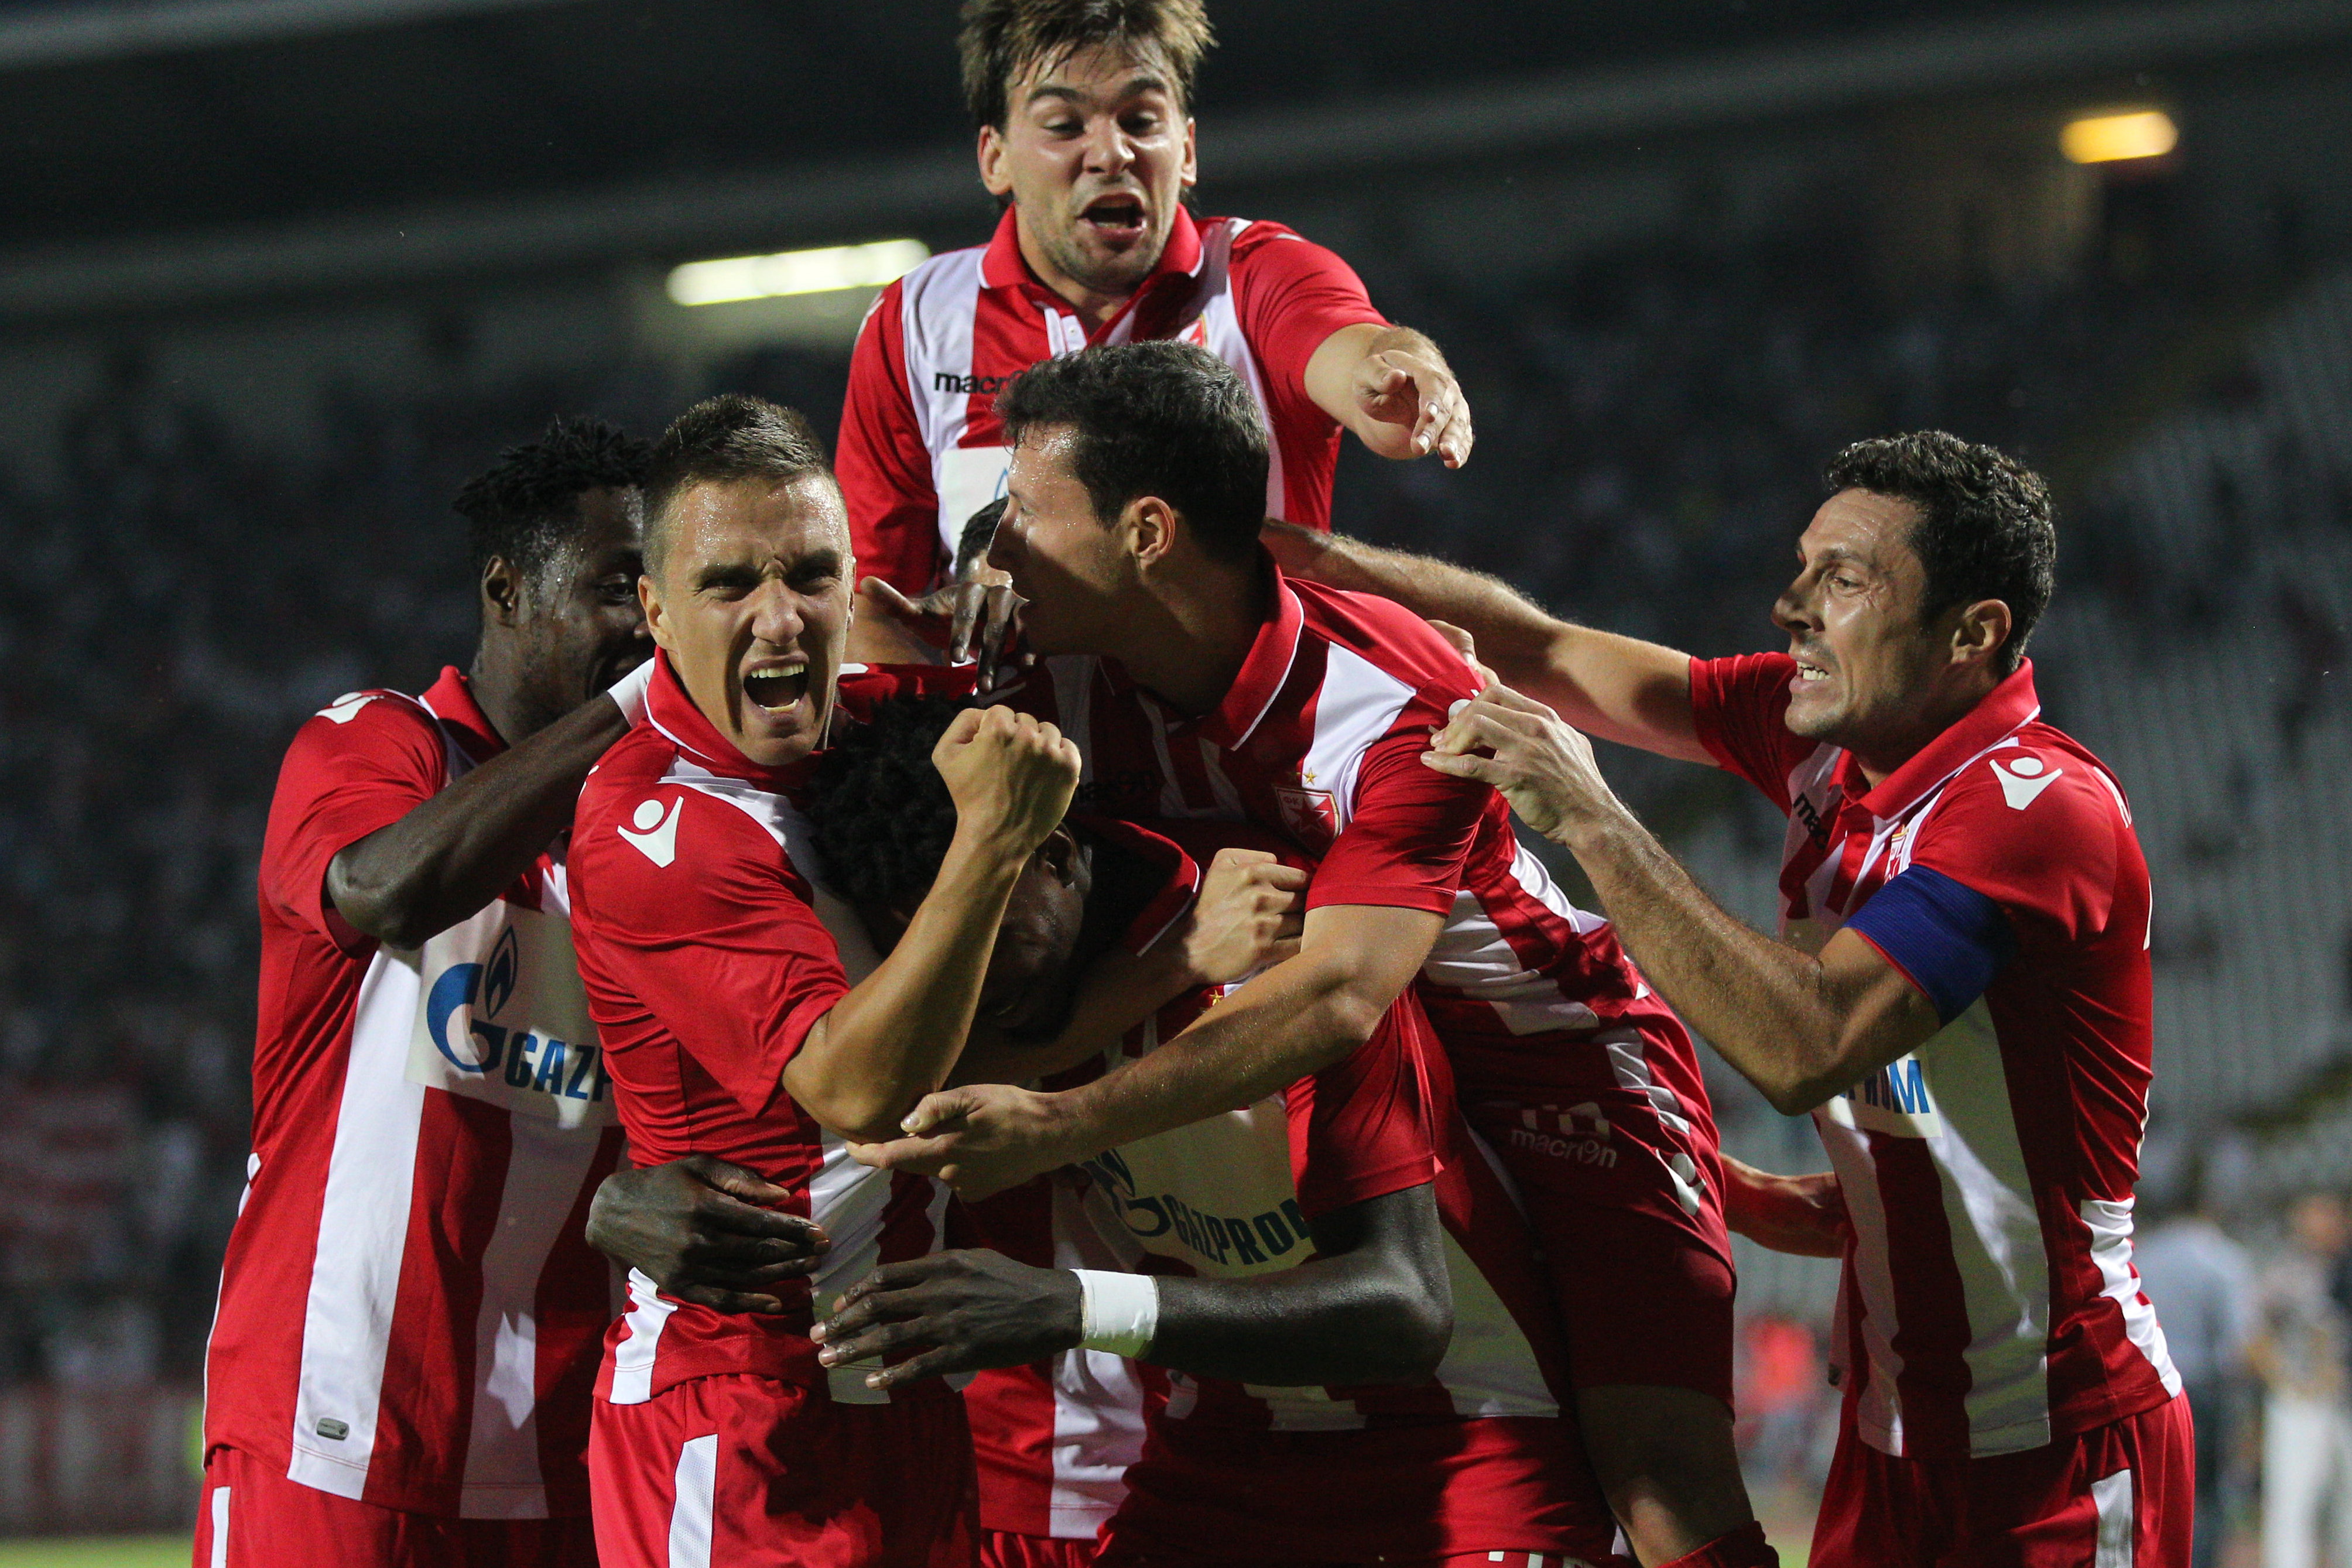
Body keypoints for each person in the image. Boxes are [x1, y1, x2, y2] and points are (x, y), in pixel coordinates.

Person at [834, 342, 1770, 1568]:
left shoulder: (1393, 702)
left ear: (1148, 534)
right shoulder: (1049, 671)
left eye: (1023, 511)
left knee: (1658, 1478)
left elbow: (1336, 993)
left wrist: (1063, 1123)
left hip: (1549, 1063)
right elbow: (862, 682)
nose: (995, 546)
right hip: (1353, 1059)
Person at [1296, 431, 2193, 1564]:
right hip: (1893, 1436)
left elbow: (1802, 1041)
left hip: (2057, 1446)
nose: (1791, 606)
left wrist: (1587, 812)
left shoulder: (2031, 806)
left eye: (1847, 579)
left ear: (1973, 634)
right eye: (1804, 567)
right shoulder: (1834, 745)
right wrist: (1287, 557)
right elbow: (1546, 649)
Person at [601, 693, 1628, 1568]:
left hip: (1462, 1449)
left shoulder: (1275, 954)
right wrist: (618, 1195)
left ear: (1047, 851)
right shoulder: (984, 1000)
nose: (974, 1009)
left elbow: (1405, 1310)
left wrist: (1068, 1302)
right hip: (1217, 1451)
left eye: (991, 946)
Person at [562, 394, 1083, 1568]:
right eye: (728, 583)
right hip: (741, 1416)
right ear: (654, 613)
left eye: (808, 574)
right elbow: (858, 1091)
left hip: (904, 1395)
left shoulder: (862, 741)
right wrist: (992, 846)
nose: (779, 618)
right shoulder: (652, 825)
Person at [194, 419, 659, 1566]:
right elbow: (383, 886)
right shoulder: (377, 743)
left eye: (659, 594)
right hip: (336, 1435)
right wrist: (643, 703)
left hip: (555, 1455)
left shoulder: (651, 833)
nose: (649, 626)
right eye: (615, 588)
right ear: (507, 589)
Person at [838, 0, 1472, 639]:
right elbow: (878, 605)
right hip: (1014, 734)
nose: (1111, 153)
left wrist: (1392, 375)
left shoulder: (1258, 275)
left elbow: (1356, 346)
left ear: (1188, 149)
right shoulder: (917, 320)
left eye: (1141, 120)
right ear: (994, 158)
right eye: (1064, 125)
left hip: (1265, 737)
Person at [2135, 1174, 2256, 1568]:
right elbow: (2237, 1345)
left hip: (2145, 1388)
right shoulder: (2222, 1258)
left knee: (2149, 1492)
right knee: (2201, 1494)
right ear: (2209, 1208)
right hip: (2201, 1391)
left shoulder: (2142, 1255)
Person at [2248, 1191, 2352, 1568]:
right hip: (2300, 1403)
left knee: (2347, 1511)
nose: (2323, 1223)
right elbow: (2252, 1336)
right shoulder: (2284, 1270)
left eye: (2330, 1215)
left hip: (2344, 1401)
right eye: (2315, 1214)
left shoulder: (2344, 1268)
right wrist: (2286, 1383)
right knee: (2292, 1506)